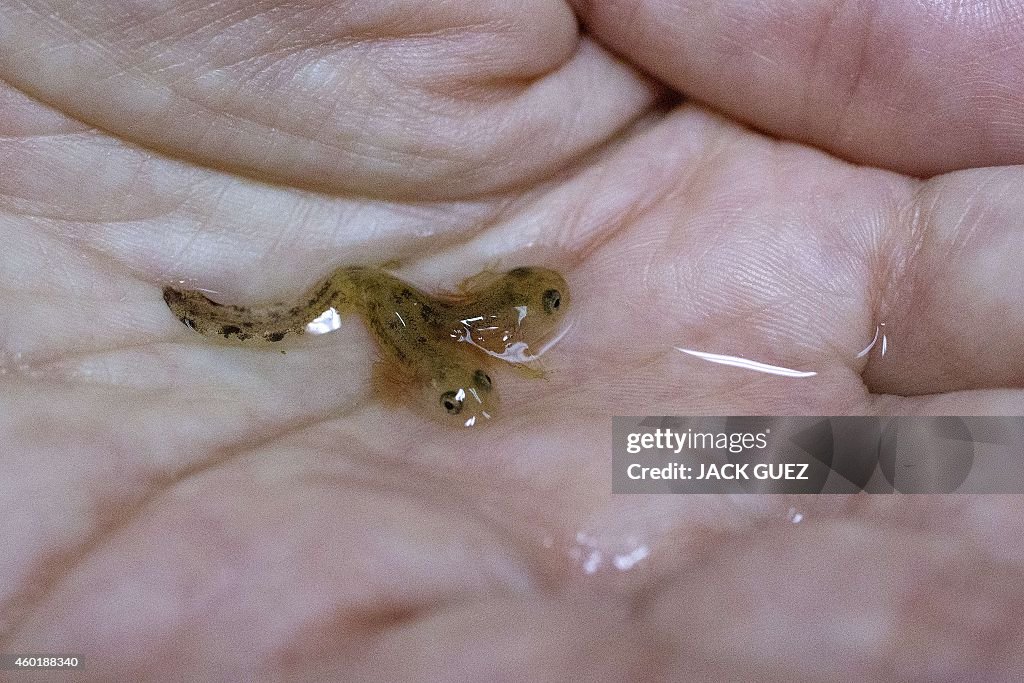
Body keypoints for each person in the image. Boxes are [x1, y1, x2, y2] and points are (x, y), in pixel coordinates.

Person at [2, 0, 1023, 678]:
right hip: (374, 301)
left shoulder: (469, 332)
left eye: (467, 393)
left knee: (945, 469)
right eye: (459, 399)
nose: (474, 399)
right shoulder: (428, 351)